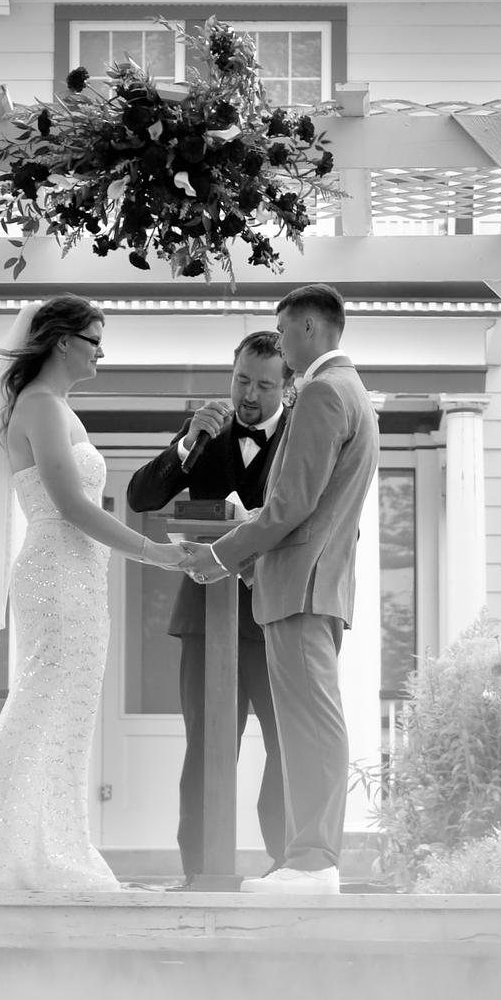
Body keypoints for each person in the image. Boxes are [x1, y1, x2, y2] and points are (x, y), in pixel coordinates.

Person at [0, 297, 185, 892]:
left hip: (80, 575)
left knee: (64, 721)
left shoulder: (55, 407)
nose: (102, 352)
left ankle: (51, 843)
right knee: (39, 712)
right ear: (62, 341)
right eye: (94, 340)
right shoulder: (40, 406)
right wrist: (153, 552)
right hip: (57, 575)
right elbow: (72, 505)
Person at [181, 284, 380, 896]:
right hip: (312, 584)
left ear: (310, 328)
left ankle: (313, 862)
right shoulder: (351, 391)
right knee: (307, 725)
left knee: (311, 726)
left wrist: (221, 554)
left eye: (285, 329)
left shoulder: (323, 391)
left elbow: (292, 505)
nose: (281, 341)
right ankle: (308, 858)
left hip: (301, 587)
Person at [126, 331, 290, 889]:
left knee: (286, 745)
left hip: (276, 620)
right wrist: (184, 446)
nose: (249, 395)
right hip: (205, 618)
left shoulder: (304, 435)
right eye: (241, 380)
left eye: (264, 385)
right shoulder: (204, 431)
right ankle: (199, 870)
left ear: (287, 389)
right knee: (204, 748)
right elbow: (141, 498)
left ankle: (286, 866)